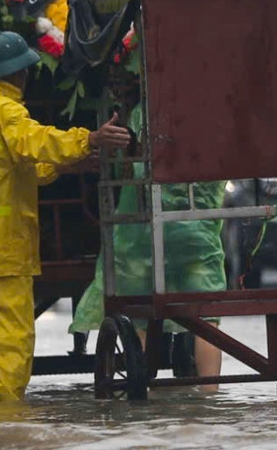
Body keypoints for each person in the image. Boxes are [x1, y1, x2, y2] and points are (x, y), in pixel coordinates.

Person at [0, 30, 131, 406]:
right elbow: (35, 141)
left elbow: (11, 167)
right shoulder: (5, 111)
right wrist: (88, 139)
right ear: (15, 73)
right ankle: (2, 428)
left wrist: (70, 162)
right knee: (11, 346)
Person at [68, 99, 225, 391]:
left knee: (137, 315)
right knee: (207, 318)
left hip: (140, 235)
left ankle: (141, 387)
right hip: (197, 234)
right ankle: (210, 395)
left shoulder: (144, 112)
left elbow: (122, 172)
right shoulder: (213, 114)